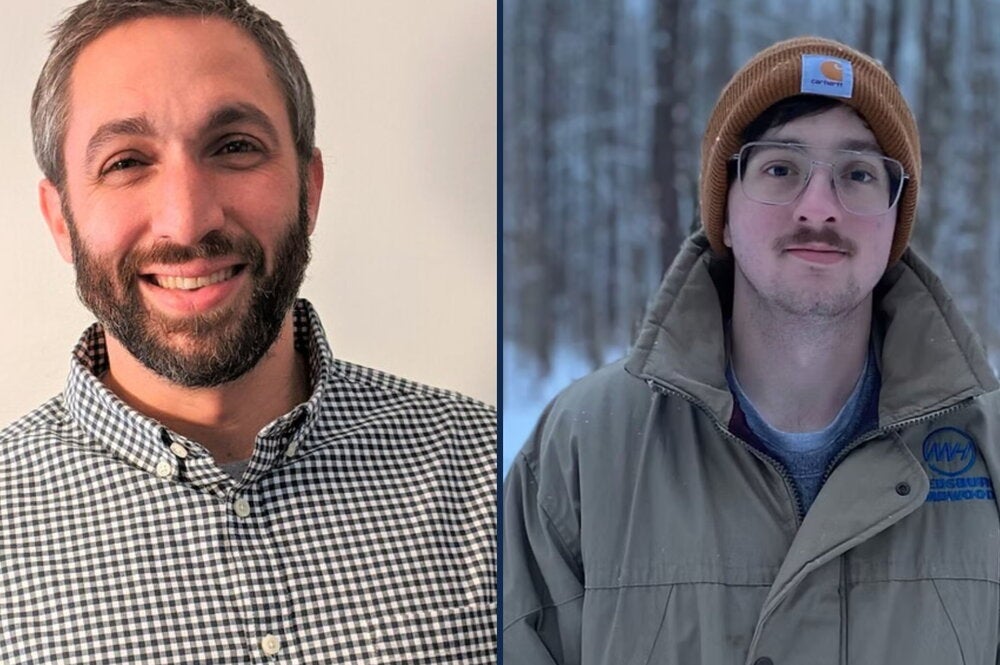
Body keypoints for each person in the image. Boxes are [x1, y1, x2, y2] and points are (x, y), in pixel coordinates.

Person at [1, 1, 497, 662]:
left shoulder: (499, 474)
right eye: (125, 162)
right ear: (60, 219)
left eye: (234, 147)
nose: (186, 220)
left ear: (309, 188)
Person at [504, 36, 1000, 664]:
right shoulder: (581, 450)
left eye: (858, 174)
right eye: (780, 169)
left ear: (895, 222)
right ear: (726, 214)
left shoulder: (990, 447)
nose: (819, 208)